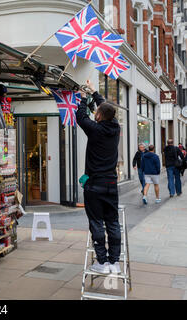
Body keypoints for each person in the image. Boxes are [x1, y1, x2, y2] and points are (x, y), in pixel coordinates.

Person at [77, 80, 121, 275]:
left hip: (95, 185)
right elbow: (105, 107)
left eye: (97, 113)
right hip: (111, 182)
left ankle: (102, 262)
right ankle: (114, 262)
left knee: (96, 222)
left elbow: (80, 117)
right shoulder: (116, 128)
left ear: (99, 115)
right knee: (112, 222)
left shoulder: (95, 130)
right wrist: (94, 92)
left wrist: (83, 97)